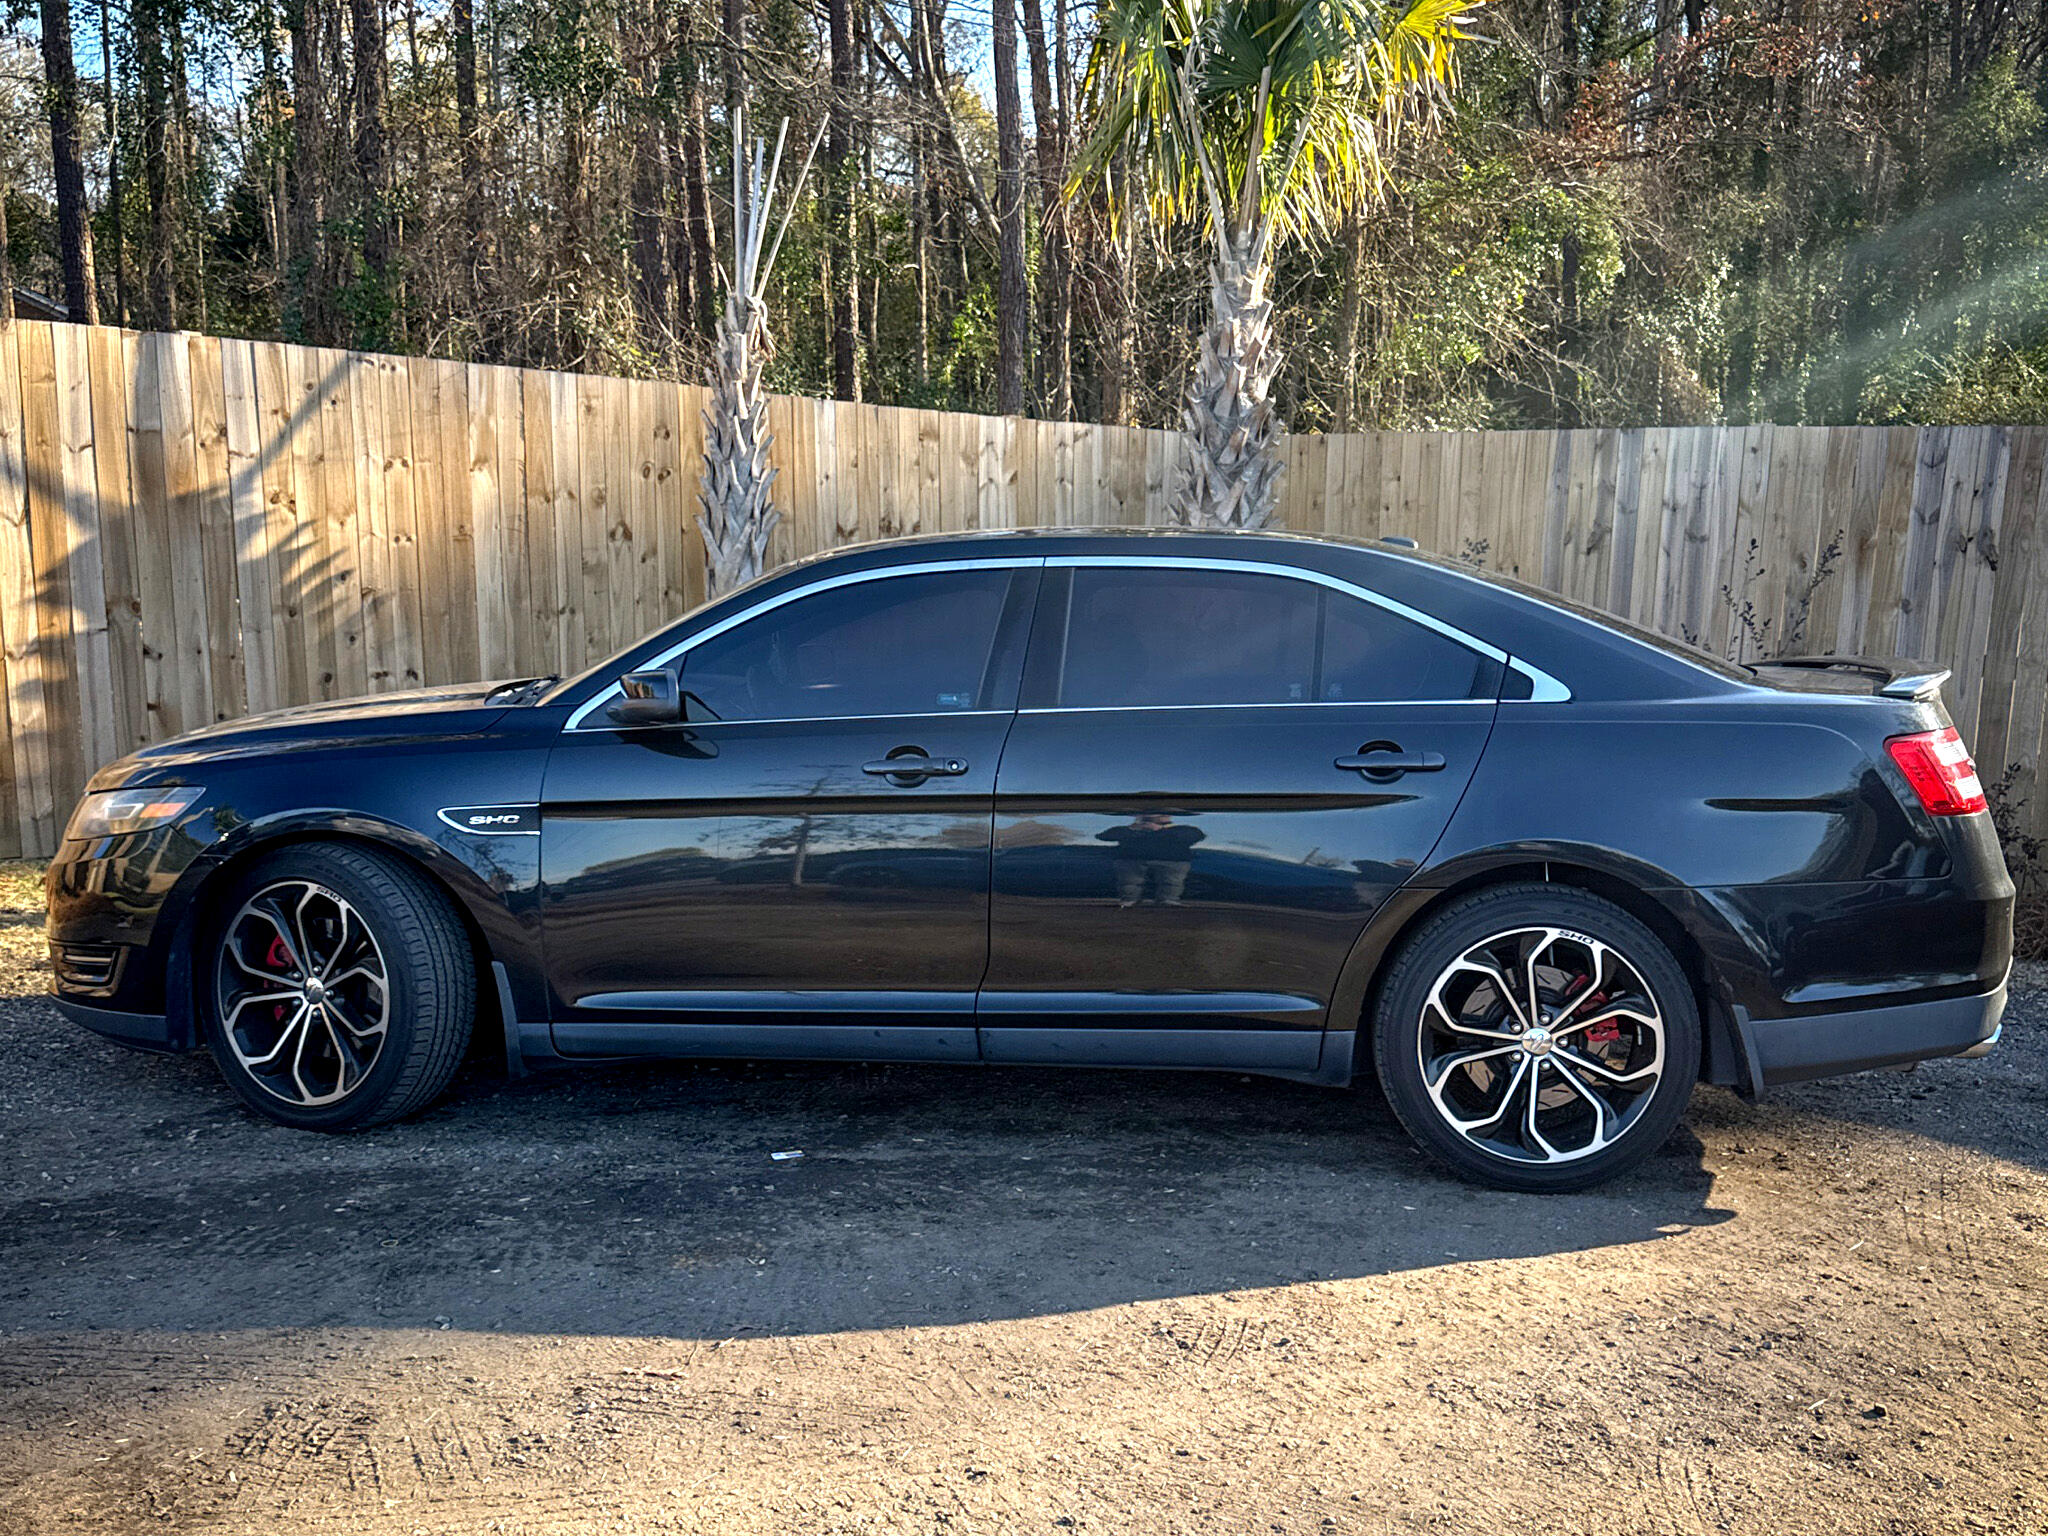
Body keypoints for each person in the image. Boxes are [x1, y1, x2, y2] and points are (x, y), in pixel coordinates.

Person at [1096, 813, 1205, 906]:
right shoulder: (1126, 829)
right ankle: (1129, 899)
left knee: (1172, 882)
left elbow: (1196, 836)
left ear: (1169, 816)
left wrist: (1160, 830)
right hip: (1132, 861)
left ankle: (1169, 900)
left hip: (1173, 862)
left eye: (1162, 814)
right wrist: (1131, 828)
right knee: (1130, 882)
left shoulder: (1182, 829)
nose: (1155, 816)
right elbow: (1103, 836)